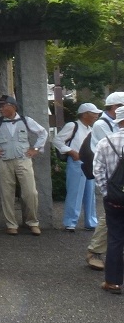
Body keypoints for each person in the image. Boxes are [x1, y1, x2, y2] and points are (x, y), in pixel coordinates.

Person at [0, 94, 49, 236]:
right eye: (0, 106)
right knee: (7, 193)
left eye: (3, 106)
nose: (0, 109)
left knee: (30, 192)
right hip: (5, 161)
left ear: (13, 106)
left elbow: (43, 133)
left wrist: (35, 149)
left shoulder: (26, 121)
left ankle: (32, 222)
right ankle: (11, 224)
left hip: (23, 160)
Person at [85, 92, 124, 270]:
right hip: (113, 180)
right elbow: (113, 147)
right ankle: (94, 251)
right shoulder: (102, 124)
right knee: (108, 219)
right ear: (115, 107)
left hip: (114, 180)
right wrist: (106, 190)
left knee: (112, 219)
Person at [53, 103, 101, 233]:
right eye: (94, 113)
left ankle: (91, 222)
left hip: (89, 163)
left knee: (90, 194)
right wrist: (71, 151)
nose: (96, 116)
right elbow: (57, 140)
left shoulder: (90, 129)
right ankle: (70, 222)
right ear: (85, 114)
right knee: (75, 192)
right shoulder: (73, 126)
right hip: (77, 163)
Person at [92, 106, 124, 295]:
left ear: (118, 121)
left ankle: (113, 282)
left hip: (114, 199)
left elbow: (98, 171)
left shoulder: (105, 142)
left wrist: (107, 193)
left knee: (115, 238)